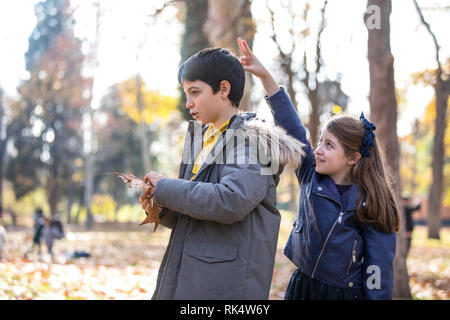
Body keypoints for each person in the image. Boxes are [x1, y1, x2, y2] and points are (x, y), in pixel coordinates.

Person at [237, 37, 399, 300]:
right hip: (302, 285)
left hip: (341, 295)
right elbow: (291, 126)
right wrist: (265, 76)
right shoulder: (311, 174)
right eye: (320, 141)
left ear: (353, 157)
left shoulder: (371, 204)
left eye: (329, 145)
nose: (319, 149)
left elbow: (378, 271)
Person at [139, 47, 305, 299]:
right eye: (186, 94)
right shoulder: (200, 140)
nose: (188, 103)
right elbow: (193, 210)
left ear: (223, 89)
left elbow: (230, 201)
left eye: (195, 92)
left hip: (223, 287)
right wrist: (161, 204)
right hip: (189, 280)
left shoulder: (251, 140)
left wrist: (166, 187)